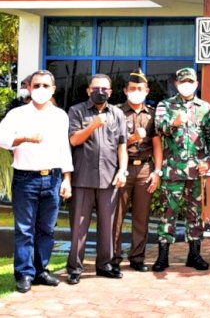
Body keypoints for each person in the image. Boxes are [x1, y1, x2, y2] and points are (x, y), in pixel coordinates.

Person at [0, 70, 73, 293]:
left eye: (45, 86)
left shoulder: (60, 115)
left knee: (47, 229)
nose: (40, 89)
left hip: (52, 178)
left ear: (53, 89)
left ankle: (41, 270)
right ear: (29, 88)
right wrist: (25, 137)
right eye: (36, 85)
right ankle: (24, 273)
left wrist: (66, 178)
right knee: (24, 229)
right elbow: (2, 140)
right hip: (25, 178)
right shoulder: (17, 114)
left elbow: (64, 148)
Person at [153, 67, 210, 272]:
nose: (186, 85)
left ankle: (194, 254)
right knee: (168, 212)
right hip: (173, 170)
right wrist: (174, 122)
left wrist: (208, 162)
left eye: (190, 81)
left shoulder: (205, 108)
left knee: (195, 214)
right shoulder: (165, 106)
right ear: (176, 84)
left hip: (196, 172)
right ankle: (163, 256)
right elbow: (159, 129)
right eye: (182, 82)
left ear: (196, 84)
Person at [66, 74, 128, 284]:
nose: (100, 92)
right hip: (82, 177)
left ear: (110, 92)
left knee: (107, 226)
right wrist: (93, 125)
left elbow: (122, 146)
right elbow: (74, 140)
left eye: (104, 89)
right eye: (96, 88)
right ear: (88, 90)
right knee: (79, 227)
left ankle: (105, 265)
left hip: (109, 177)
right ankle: (75, 268)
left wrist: (123, 170)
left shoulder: (117, 113)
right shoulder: (76, 111)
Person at [113, 68, 163, 273]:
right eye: (132, 88)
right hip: (121, 169)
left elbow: (158, 144)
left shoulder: (152, 115)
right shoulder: (116, 112)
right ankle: (113, 257)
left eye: (139, 88)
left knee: (141, 218)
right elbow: (112, 142)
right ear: (125, 90)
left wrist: (157, 171)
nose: (136, 91)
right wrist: (133, 138)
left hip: (144, 169)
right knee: (116, 217)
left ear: (147, 91)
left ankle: (137, 257)